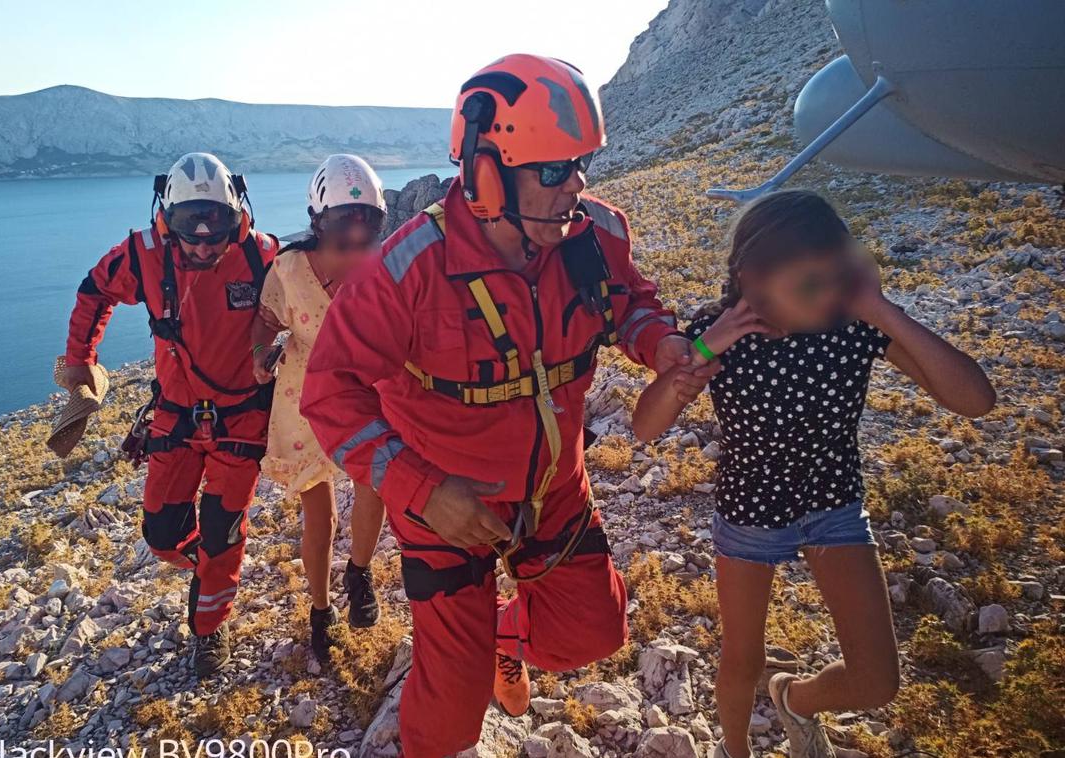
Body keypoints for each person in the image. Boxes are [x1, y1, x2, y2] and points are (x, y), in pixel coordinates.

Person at [300, 54, 719, 756]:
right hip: (443, 512)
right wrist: (424, 493)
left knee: (594, 631)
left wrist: (661, 345)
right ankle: (467, 661)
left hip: (554, 490)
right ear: (488, 172)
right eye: (554, 170)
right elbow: (329, 393)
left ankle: (502, 634)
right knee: (450, 707)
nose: (576, 185)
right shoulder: (406, 272)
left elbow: (631, 306)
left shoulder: (596, 237)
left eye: (579, 164)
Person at [632, 190, 995, 758]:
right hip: (749, 514)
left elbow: (975, 401)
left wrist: (880, 309)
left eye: (838, 278)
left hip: (833, 505)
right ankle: (734, 751)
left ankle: (794, 699)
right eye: (809, 284)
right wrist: (704, 348)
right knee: (741, 659)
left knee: (879, 680)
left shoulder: (851, 324)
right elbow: (646, 427)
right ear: (751, 278)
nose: (827, 296)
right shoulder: (720, 331)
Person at [62, 152, 278, 679]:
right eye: (191, 230)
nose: (204, 242)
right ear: (169, 216)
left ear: (235, 213)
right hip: (176, 419)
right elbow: (94, 291)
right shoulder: (143, 256)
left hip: (243, 421)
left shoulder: (262, 256)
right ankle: (210, 569)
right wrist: (81, 362)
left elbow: (315, 304)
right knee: (160, 535)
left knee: (224, 531)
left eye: (216, 229)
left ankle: (210, 627)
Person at [250, 154, 387, 664]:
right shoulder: (286, 270)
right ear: (317, 224)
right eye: (341, 234)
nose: (354, 246)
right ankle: (320, 611)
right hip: (303, 396)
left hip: (365, 386)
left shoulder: (383, 264)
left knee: (375, 482)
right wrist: (260, 357)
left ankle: (360, 572)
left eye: (365, 233)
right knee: (320, 514)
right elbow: (264, 322)